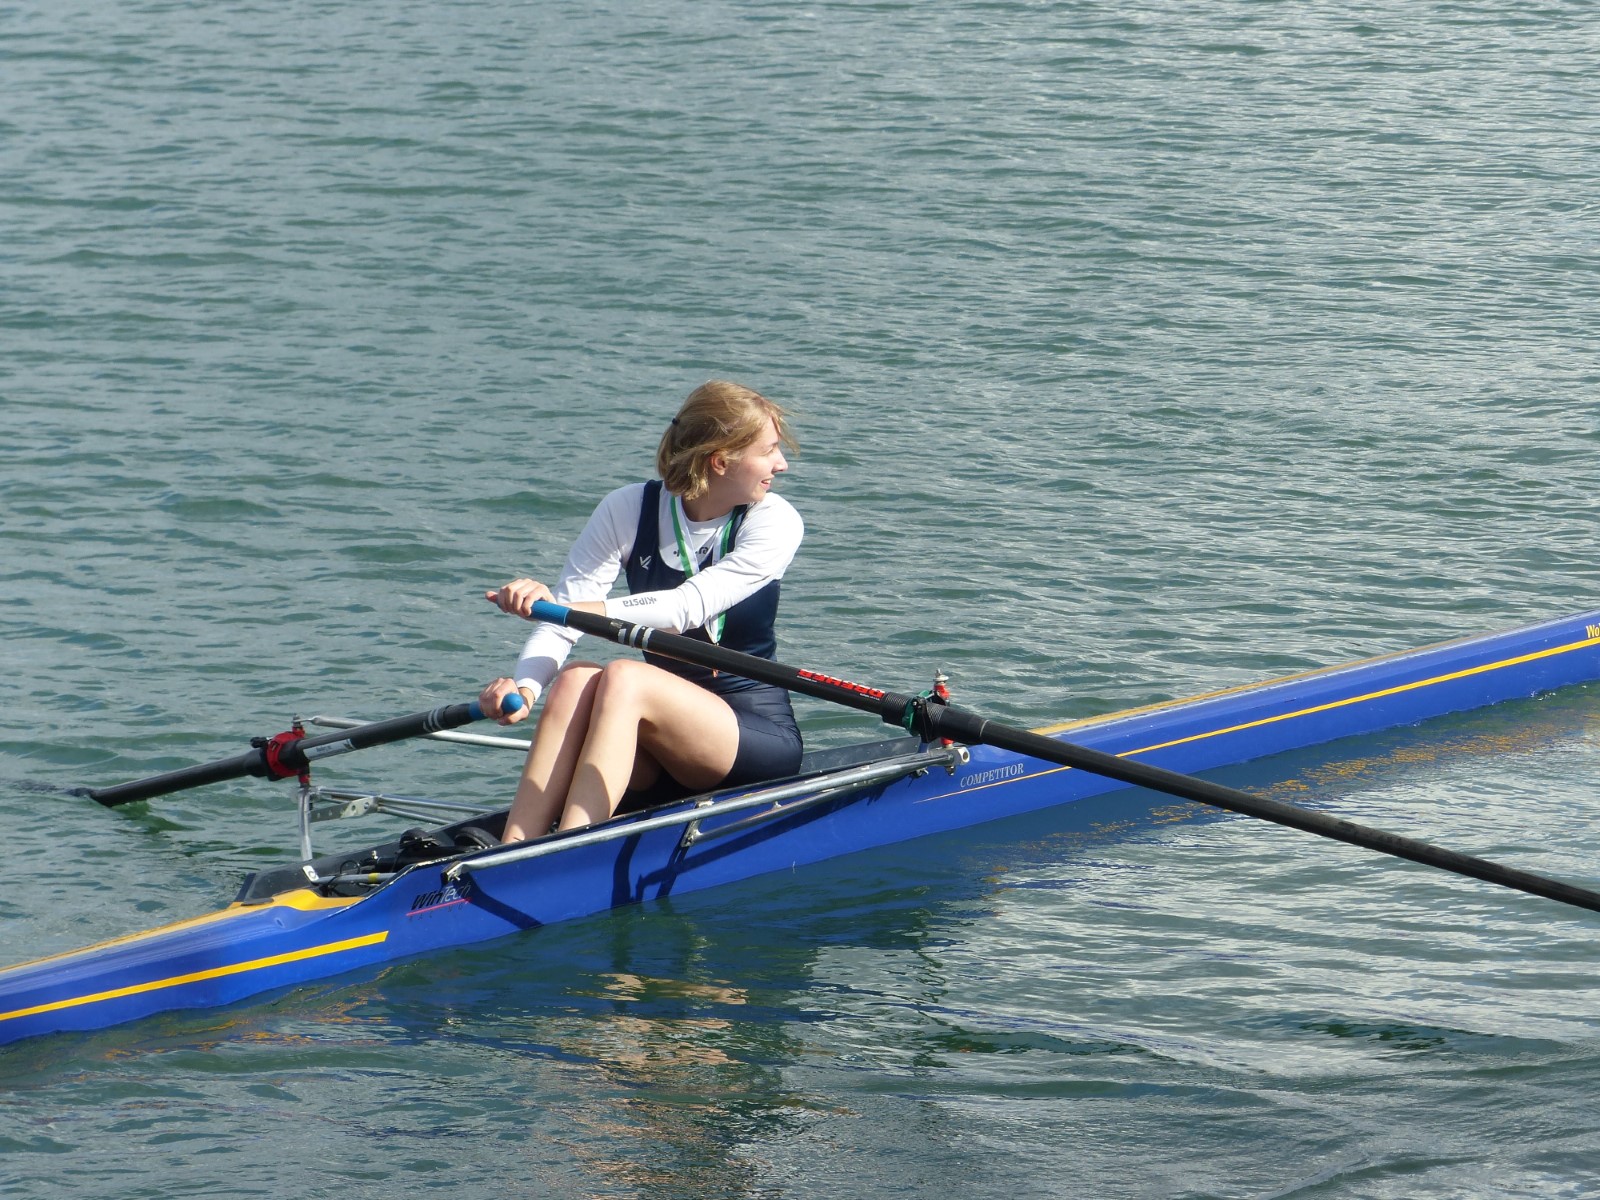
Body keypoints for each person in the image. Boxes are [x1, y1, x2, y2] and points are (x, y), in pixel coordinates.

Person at [478, 381, 803, 842]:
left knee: (627, 676)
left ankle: (570, 847)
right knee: (575, 678)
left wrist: (553, 607)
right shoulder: (629, 508)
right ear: (720, 460)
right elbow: (562, 626)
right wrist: (526, 688)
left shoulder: (774, 520)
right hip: (651, 744)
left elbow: (683, 609)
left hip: (751, 737)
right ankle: (516, 845)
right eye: (769, 450)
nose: (781, 464)